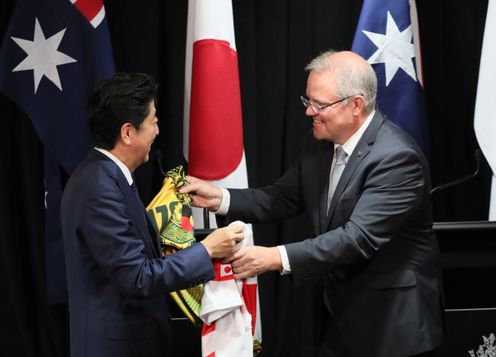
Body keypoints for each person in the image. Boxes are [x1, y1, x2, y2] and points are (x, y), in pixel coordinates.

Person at [180, 50, 445, 357]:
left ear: (356, 105)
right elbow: (282, 198)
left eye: (320, 105)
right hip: (341, 319)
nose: (309, 112)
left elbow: (356, 239)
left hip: (393, 326)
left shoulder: (396, 158)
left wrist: (274, 257)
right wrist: (220, 198)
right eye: (308, 101)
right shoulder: (319, 143)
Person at [60, 72, 243, 357]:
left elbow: (133, 256)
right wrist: (206, 250)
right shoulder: (99, 188)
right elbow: (137, 276)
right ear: (128, 133)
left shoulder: (108, 176)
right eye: (153, 122)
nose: (157, 130)